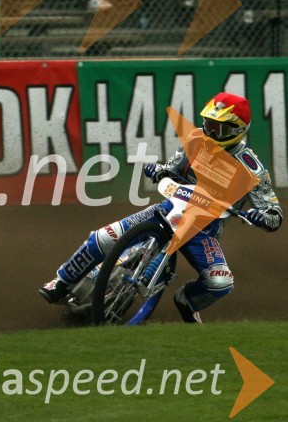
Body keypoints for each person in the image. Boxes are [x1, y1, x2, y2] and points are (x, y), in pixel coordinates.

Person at [39, 93, 283, 323]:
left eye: (218, 129)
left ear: (237, 131)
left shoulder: (251, 167)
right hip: (168, 209)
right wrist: (158, 170)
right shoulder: (195, 139)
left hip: (203, 231)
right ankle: (61, 282)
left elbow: (274, 213)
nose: (210, 132)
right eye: (208, 124)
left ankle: (187, 301)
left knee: (220, 283)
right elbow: (171, 167)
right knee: (103, 236)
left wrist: (262, 217)